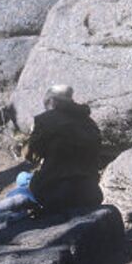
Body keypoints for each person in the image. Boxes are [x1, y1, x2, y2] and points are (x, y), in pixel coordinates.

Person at [24, 85, 103, 214]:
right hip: (90, 192)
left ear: (52, 101)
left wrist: (33, 134)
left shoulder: (45, 121)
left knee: (22, 180)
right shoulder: (90, 123)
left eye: (46, 102)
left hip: (55, 194)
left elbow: (30, 156)